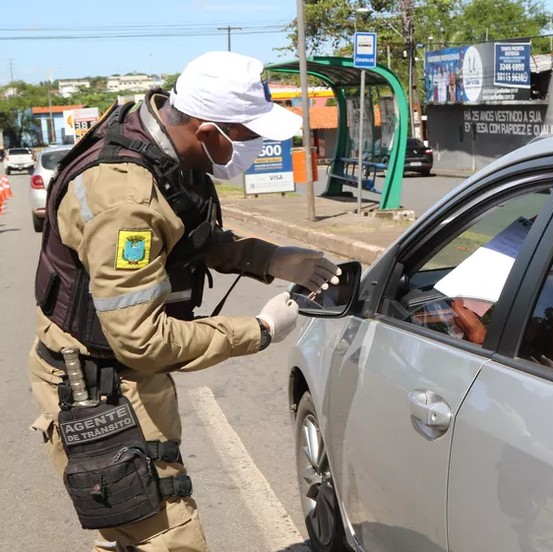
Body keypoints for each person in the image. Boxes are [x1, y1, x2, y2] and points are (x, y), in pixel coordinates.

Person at [28, 51, 340, 551]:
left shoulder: (163, 148)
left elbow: (187, 235)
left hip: (115, 372)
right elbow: (142, 341)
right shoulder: (125, 200)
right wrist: (260, 329)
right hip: (100, 384)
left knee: (128, 535)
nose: (256, 146)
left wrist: (269, 258)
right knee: (166, 534)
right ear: (209, 129)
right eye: (248, 134)